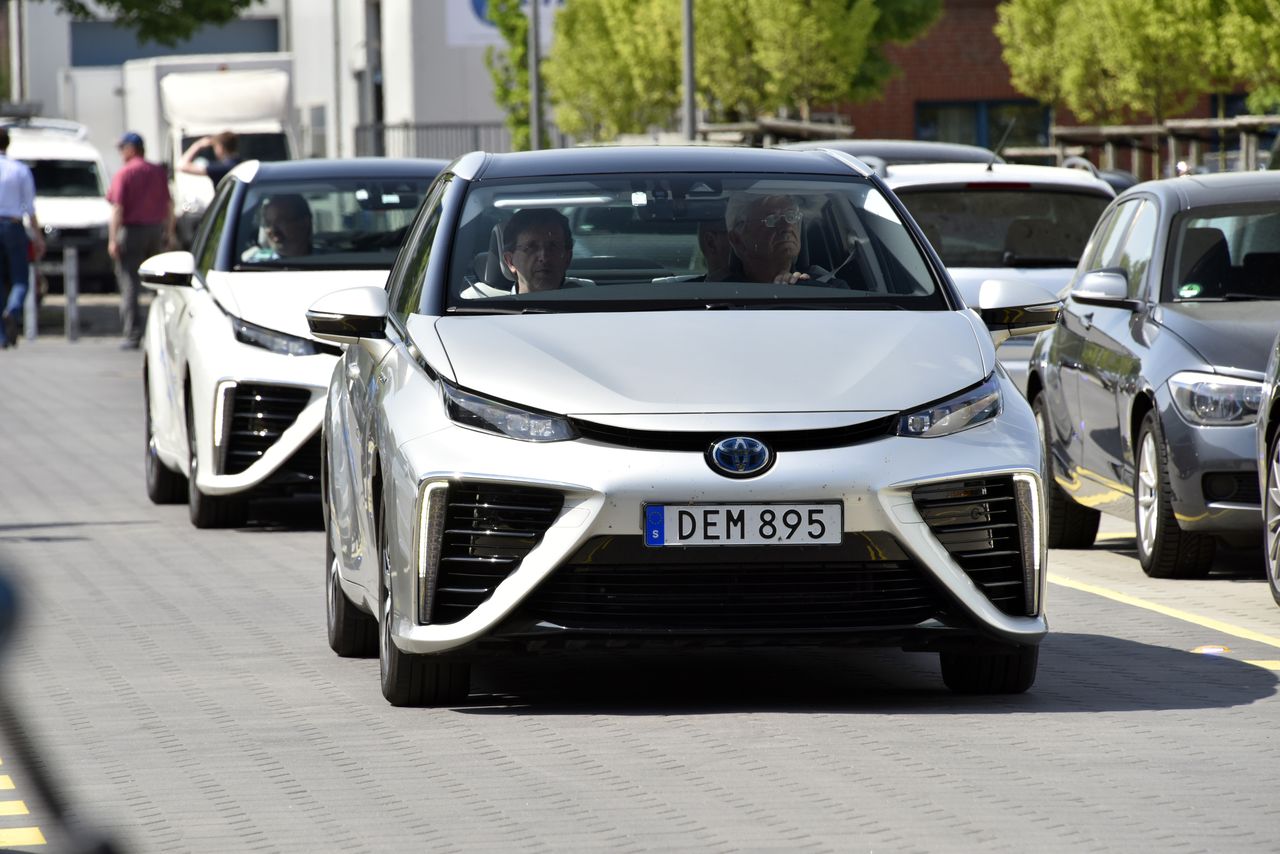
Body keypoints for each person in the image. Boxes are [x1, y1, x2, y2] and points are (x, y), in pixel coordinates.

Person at [106, 131, 174, 350]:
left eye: (122, 148)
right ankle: (164, 331)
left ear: (131, 149)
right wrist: (169, 233)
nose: (120, 153)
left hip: (132, 231)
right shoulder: (157, 171)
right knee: (158, 285)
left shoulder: (125, 173)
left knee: (129, 284)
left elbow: (117, 208)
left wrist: (113, 239)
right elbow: (169, 205)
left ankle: (133, 334)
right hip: (155, 231)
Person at [724, 192, 845, 286]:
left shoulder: (829, 288)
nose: (787, 226)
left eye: (791, 216)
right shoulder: (720, 296)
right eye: (772, 219)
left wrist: (805, 289)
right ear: (737, 240)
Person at [0, 128, 43, 349]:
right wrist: (38, 237)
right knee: (20, 279)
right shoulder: (19, 170)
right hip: (13, 225)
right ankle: (13, 308)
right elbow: (30, 208)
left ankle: (1, 335)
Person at [242, 194, 313, 261]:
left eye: (280, 221)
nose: (272, 229)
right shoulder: (254, 263)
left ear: (304, 223)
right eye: (268, 223)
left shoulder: (319, 260)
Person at [177, 131, 241, 187]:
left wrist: (198, 145)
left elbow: (182, 166)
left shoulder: (221, 167)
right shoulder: (240, 162)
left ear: (220, 148)